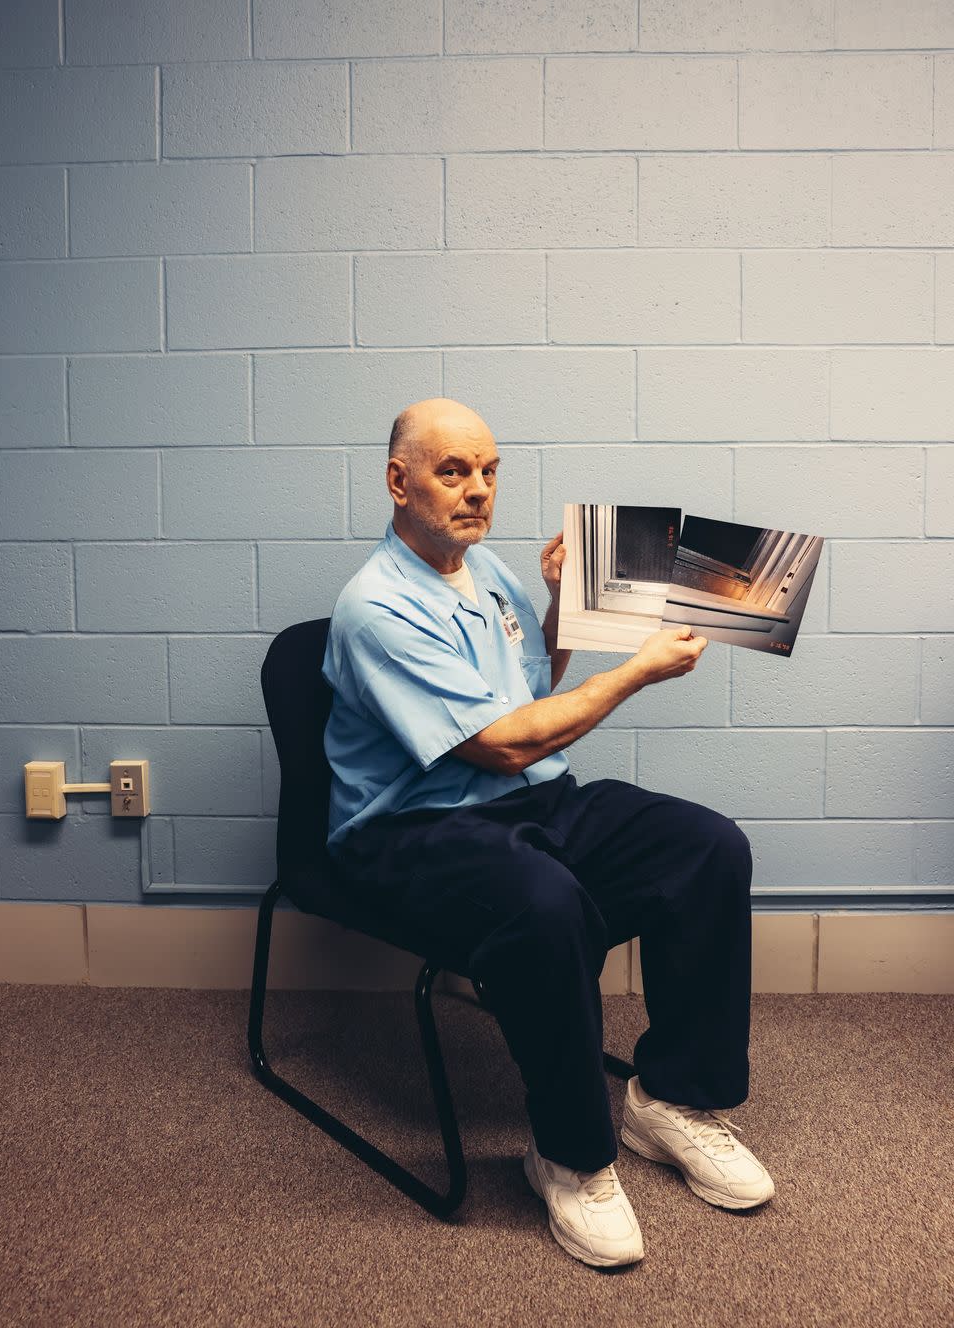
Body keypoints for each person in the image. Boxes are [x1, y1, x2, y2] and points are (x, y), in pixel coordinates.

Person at [322, 397, 775, 1270]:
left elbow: (528, 691)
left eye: (489, 472)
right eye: (453, 472)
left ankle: (672, 1100)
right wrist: (636, 671)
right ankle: (569, 1157)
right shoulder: (373, 608)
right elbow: (501, 746)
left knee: (709, 847)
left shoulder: (486, 570)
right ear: (398, 481)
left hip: (529, 798)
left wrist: (566, 607)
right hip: (415, 829)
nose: (477, 490)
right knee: (547, 904)